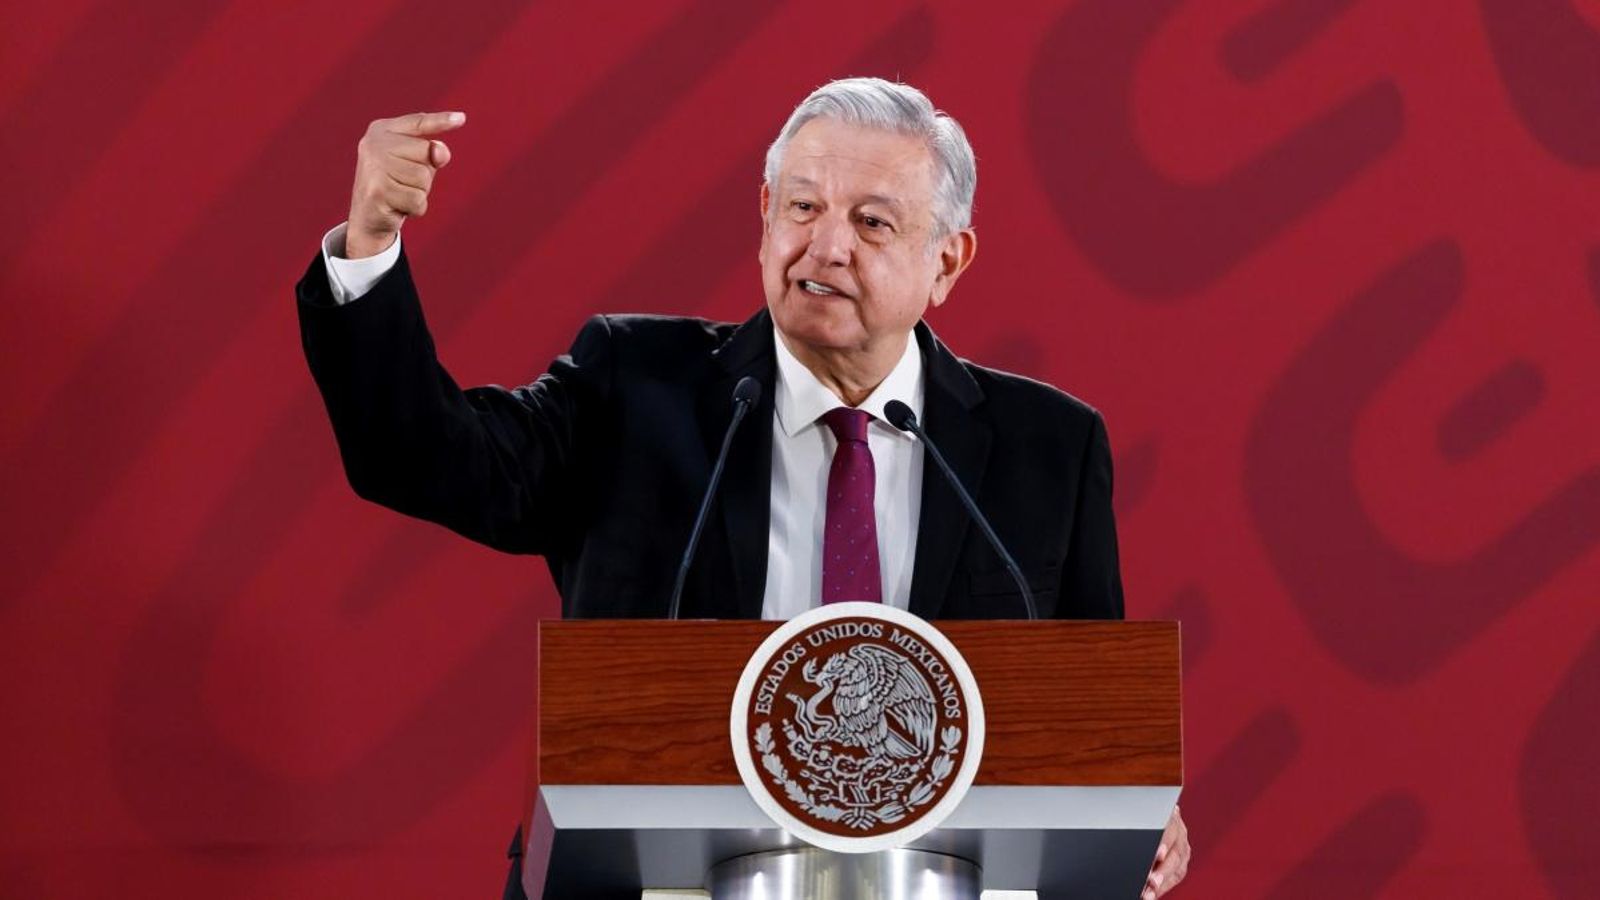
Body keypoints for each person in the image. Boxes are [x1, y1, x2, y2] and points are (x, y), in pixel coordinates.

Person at [295, 77, 1189, 899]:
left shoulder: (1049, 447)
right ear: (765, 216)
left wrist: (1138, 813)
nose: (826, 245)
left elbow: (1090, 716)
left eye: (873, 223)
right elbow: (420, 457)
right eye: (803, 206)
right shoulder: (633, 387)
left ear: (946, 262)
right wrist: (371, 245)